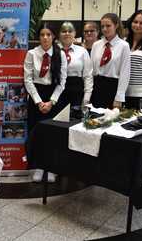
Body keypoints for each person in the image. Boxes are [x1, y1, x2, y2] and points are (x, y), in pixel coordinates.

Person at [24, 23, 67, 183]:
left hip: (54, 97)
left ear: (54, 36)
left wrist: (51, 102)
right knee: (37, 134)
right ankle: (39, 166)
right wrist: (39, 102)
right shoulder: (31, 54)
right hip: (37, 96)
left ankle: (51, 168)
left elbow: (62, 82)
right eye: (42, 34)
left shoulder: (60, 54)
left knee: (53, 135)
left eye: (48, 34)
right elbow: (28, 80)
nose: (45, 38)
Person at [90, 13, 131, 109]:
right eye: (102, 26)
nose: (105, 29)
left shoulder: (124, 46)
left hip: (112, 88)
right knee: (94, 120)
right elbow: (91, 70)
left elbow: (125, 73)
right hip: (96, 87)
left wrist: (119, 97)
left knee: (109, 121)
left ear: (116, 25)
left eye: (108, 26)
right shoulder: (96, 45)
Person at [58, 22, 93, 107]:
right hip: (57, 90)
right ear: (59, 34)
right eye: (64, 31)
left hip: (77, 90)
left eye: (70, 31)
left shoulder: (82, 51)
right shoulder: (54, 51)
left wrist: (86, 98)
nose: (67, 33)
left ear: (74, 33)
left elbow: (88, 76)